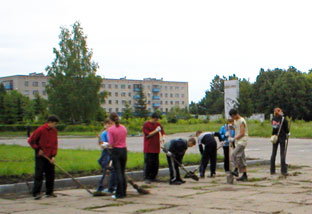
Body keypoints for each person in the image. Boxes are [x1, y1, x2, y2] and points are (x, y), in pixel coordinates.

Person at [27, 115, 59, 200]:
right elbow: (31, 141)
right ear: (50, 122)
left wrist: (53, 156)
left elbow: (55, 144)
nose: (55, 125)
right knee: (39, 174)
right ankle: (36, 193)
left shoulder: (54, 131)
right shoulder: (40, 130)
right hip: (41, 156)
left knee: (50, 174)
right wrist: (37, 149)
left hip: (49, 156)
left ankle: (49, 192)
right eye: (54, 124)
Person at [107, 113, 128, 199]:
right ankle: (124, 191)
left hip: (116, 151)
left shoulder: (110, 130)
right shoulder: (123, 128)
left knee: (118, 172)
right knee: (122, 172)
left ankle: (119, 193)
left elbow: (111, 143)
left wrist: (106, 145)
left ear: (110, 120)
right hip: (124, 150)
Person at [142, 112, 165, 184]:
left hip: (156, 147)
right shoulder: (146, 124)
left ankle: (153, 177)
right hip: (149, 147)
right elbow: (147, 135)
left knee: (155, 163)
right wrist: (155, 131)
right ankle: (147, 177)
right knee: (148, 163)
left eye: (157, 120)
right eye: (155, 120)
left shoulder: (158, 124)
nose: (156, 121)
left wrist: (163, 137)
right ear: (152, 118)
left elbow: (162, 132)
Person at [95, 119, 116, 193]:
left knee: (112, 170)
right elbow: (102, 144)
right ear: (105, 124)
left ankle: (111, 186)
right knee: (107, 170)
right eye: (109, 124)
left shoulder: (113, 132)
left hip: (112, 152)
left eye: (111, 124)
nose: (110, 125)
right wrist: (108, 145)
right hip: (106, 153)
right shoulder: (104, 133)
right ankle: (101, 187)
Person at [229, 109, 248, 182]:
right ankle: (244, 175)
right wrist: (231, 127)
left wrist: (234, 139)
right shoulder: (236, 121)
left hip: (242, 141)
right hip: (238, 141)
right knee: (241, 158)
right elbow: (236, 128)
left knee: (234, 155)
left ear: (235, 114)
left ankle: (236, 170)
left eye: (233, 116)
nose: (232, 118)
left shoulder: (241, 121)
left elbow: (242, 133)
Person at [271, 107, 290, 176]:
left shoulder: (273, 119)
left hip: (275, 137)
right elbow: (286, 129)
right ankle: (283, 171)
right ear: (280, 112)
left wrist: (273, 135)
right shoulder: (283, 119)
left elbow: (274, 128)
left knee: (273, 153)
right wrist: (288, 133)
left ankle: (272, 170)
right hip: (282, 137)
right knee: (282, 153)